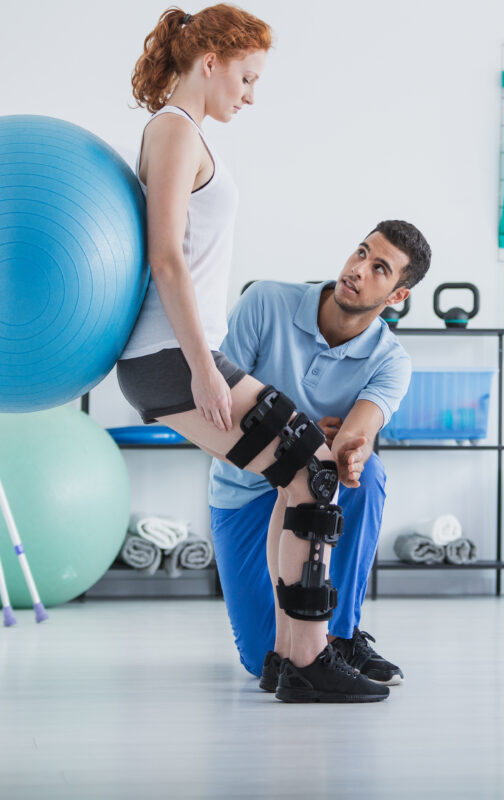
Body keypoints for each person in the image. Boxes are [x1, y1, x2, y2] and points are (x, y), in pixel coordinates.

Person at [116, 5, 387, 703]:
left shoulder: (182, 132)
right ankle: (305, 659)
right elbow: (166, 258)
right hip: (173, 354)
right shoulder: (175, 132)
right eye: (247, 76)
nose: (251, 94)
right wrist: (206, 366)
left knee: (302, 476)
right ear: (211, 63)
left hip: (173, 353)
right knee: (314, 472)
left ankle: (289, 656)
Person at [209, 220, 432, 692]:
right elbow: (216, 410)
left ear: (397, 297)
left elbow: (357, 433)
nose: (357, 269)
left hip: (315, 492)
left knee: (364, 472)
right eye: (360, 252)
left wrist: (347, 445)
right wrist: (305, 429)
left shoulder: (392, 361)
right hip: (242, 493)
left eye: (378, 268)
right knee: (264, 658)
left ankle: (342, 638)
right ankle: (317, 642)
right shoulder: (266, 302)